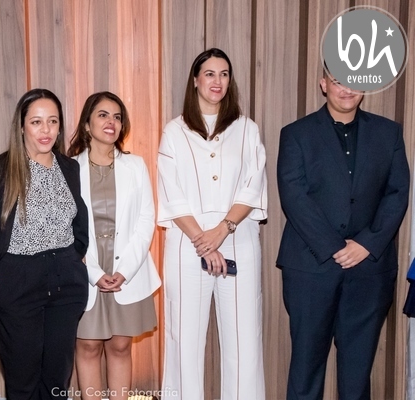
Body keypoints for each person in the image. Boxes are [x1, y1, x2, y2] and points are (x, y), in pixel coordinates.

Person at [277, 65, 410, 400]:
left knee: (356, 374)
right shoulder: (295, 134)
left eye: (354, 81)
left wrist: (366, 244)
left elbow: (397, 193)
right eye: (338, 81)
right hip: (310, 268)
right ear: (324, 84)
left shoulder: (389, 133)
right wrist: (335, 247)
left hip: (369, 271)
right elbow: (294, 196)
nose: (347, 89)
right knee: (305, 371)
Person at [157, 48, 267, 400]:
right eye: (209, 73)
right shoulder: (174, 131)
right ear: (195, 80)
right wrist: (202, 240)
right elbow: (171, 193)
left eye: (224, 74)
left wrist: (222, 230)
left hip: (238, 239)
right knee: (183, 341)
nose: (217, 81)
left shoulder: (247, 129)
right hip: (187, 244)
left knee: (244, 340)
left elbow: (253, 186)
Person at [0, 88, 89, 399]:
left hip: (65, 282)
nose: (45, 129)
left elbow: (79, 220)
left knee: (57, 380)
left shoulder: (70, 167)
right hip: (18, 281)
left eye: (53, 121)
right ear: (21, 127)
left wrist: (75, 259)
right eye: (36, 122)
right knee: (22, 381)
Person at [68, 91, 161, 400]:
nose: (111, 122)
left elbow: (146, 219)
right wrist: (94, 273)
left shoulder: (136, 165)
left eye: (117, 117)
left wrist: (125, 270)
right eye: (103, 115)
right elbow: (66, 228)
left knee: (120, 345)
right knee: (88, 345)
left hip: (128, 268)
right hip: (85, 266)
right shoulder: (69, 169)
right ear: (87, 124)